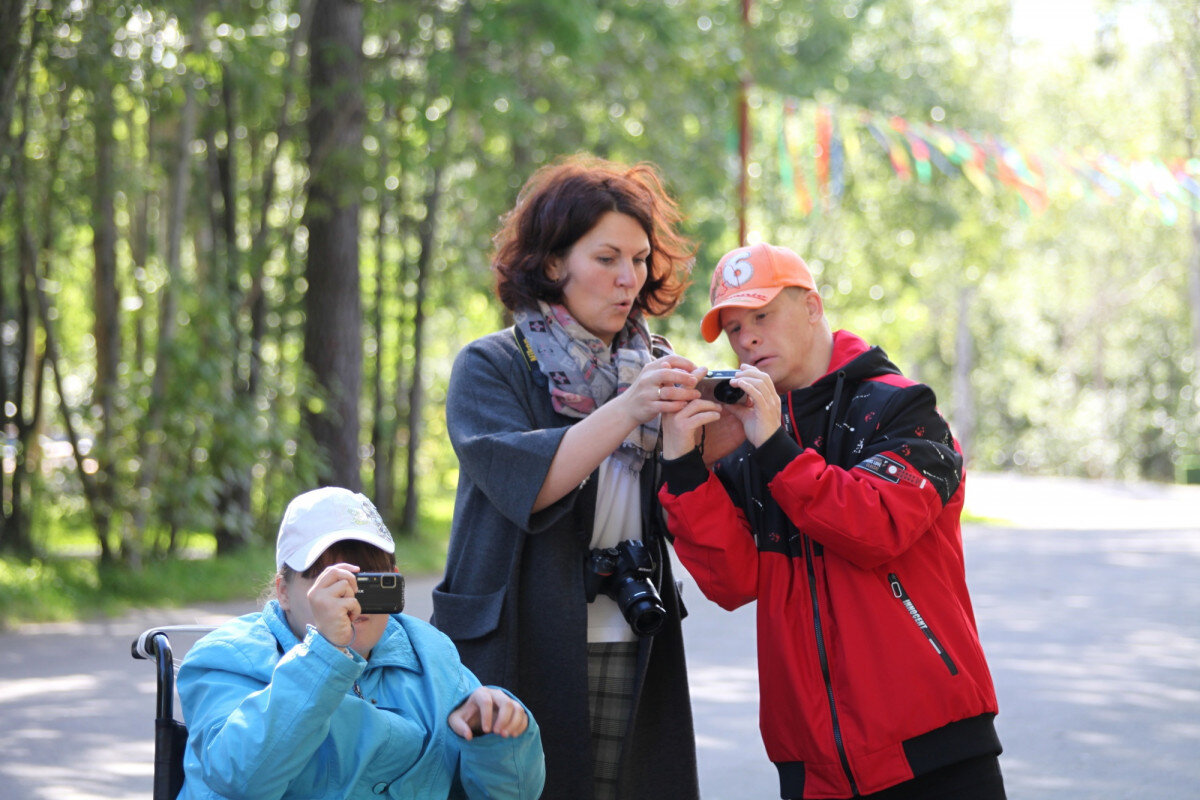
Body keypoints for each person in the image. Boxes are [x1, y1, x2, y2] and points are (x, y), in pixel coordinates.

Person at [658, 242, 1006, 800]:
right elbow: (733, 583)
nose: (746, 338)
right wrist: (682, 468)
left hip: (937, 748)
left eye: (762, 315)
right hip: (811, 767)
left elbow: (874, 529)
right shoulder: (745, 436)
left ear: (813, 307)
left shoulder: (901, 406)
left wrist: (775, 447)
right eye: (734, 327)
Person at [432, 155, 702, 800]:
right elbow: (529, 484)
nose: (628, 279)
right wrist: (630, 407)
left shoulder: (652, 369)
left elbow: (682, 511)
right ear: (554, 263)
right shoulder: (491, 364)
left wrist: (695, 437)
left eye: (639, 260)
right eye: (607, 258)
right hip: (517, 634)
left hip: (629, 627)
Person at [176, 486, 545, 800]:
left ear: (395, 584)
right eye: (329, 581)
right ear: (283, 592)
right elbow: (240, 778)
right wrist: (324, 654)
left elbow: (514, 794)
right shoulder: (225, 658)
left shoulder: (432, 656)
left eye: (371, 580)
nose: (351, 599)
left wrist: (494, 735)